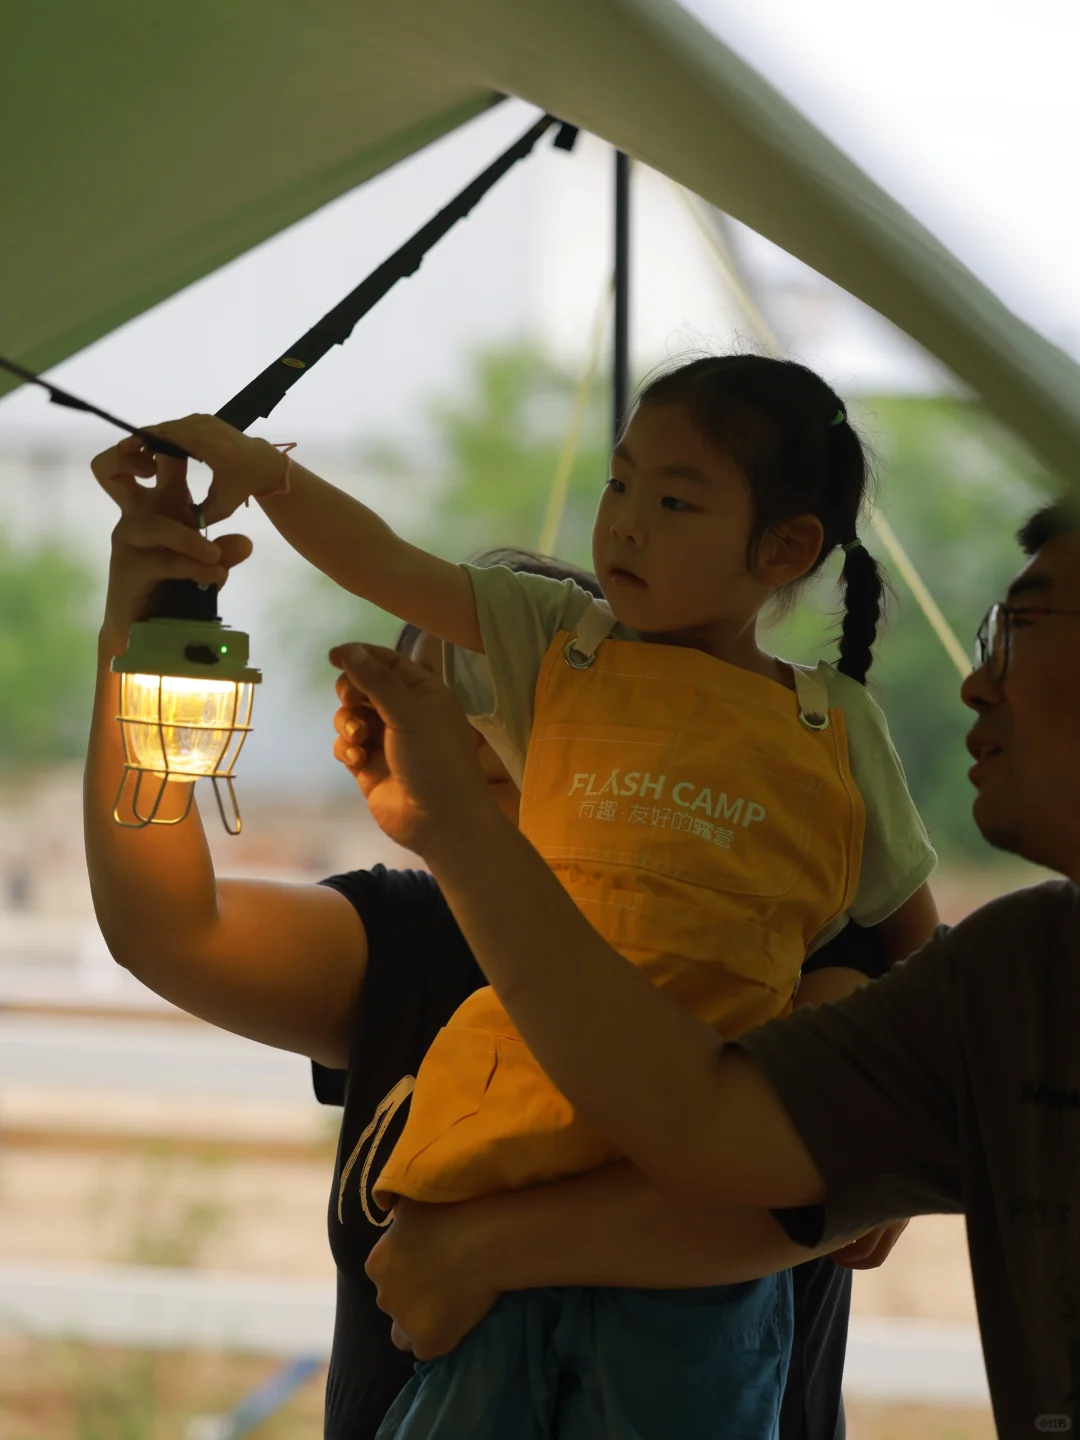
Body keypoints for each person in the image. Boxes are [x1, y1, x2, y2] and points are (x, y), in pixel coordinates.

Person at [109, 354, 939, 1437]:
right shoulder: (548, 674)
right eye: (618, 484)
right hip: (503, 1195)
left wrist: (895, 1137)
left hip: (693, 1264)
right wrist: (245, 504)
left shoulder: (831, 763)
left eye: (674, 501)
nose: (626, 520)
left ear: (784, 550)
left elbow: (914, 968)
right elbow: (387, 567)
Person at [329, 496, 1080, 1436]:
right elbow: (715, 1128)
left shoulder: (878, 967)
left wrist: (477, 1248)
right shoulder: (1016, 972)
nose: (976, 682)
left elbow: (736, 1161)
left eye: (1019, 629)